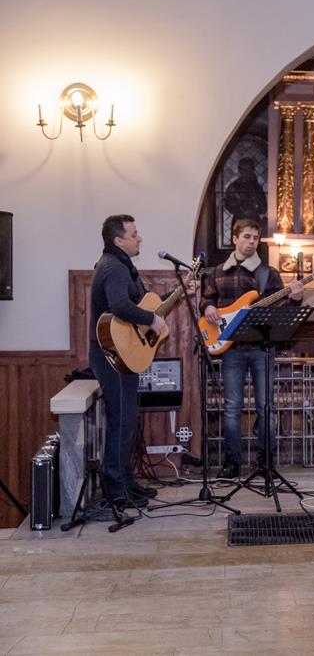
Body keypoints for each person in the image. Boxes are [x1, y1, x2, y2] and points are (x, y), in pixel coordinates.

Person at [201, 218, 304, 478]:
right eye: (247, 237)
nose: (251, 242)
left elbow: (280, 310)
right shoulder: (218, 272)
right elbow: (207, 298)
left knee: (265, 407)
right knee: (232, 407)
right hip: (231, 347)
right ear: (235, 239)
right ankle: (232, 463)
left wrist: (295, 299)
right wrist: (209, 306)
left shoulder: (268, 274)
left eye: (255, 238)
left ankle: (266, 464)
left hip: (261, 347)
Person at [89, 215, 170, 508]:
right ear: (118, 240)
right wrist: (152, 319)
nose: (140, 238)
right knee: (121, 424)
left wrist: (170, 298)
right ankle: (116, 491)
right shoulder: (113, 267)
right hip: (112, 356)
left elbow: (138, 303)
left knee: (127, 423)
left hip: (121, 355)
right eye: (134, 234)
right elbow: (120, 306)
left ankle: (126, 482)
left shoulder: (120, 265)